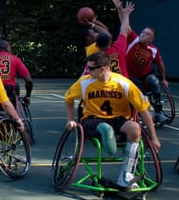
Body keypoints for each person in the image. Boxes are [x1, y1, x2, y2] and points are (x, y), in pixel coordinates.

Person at [65, 52, 161, 190]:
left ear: (103, 68)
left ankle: (126, 176)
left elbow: (143, 110)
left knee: (135, 128)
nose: (88, 71)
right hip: (92, 119)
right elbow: (68, 99)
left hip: (117, 120)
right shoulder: (84, 82)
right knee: (105, 127)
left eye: (92, 68)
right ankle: (107, 134)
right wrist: (70, 120)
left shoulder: (124, 84)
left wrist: (154, 137)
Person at [125, 26, 169, 123]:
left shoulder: (153, 50)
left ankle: (159, 111)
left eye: (147, 34)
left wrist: (164, 79)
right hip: (130, 76)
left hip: (145, 76)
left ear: (151, 39)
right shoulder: (134, 39)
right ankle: (145, 112)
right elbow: (126, 26)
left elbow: (160, 64)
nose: (143, 34)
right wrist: (124, 13)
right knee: (139, 89)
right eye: (143, 32)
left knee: (154, 81)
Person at [83, 0, 134, 77]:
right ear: (110, 42)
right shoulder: (119, 48)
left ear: (97, 45)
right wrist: (126, 14)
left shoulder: (94, 54)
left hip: (107, 85)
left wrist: (93, 24)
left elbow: (84, 76)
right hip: (122, 84)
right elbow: (123, 30)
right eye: (94, 33)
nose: (96, 33)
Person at [0, 39, 33, 107]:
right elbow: (29, 80)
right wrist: (27, 96)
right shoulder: (15, 60)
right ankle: (15, 115)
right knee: (16, 86)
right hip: (9, 95)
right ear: (7, 48)